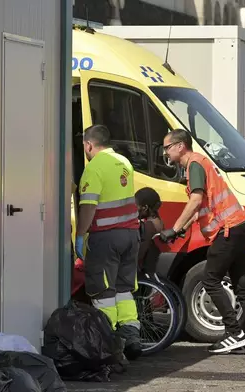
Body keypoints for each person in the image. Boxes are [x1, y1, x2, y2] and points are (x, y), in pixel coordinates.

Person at [158, 129, 245, 355]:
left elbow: (196, 199)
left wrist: (174, 228)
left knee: (210, 280)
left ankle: (234, 333)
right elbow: (203, 207)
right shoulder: (202, 164)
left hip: (227, 230)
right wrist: (183, 229)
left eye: (167, 147)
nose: (166, 153)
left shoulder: (195, 165)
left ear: (180, 146)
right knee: (242, 285)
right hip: (239, 226)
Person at [74, 124, 142, 361]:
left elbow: (89, 206)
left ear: (89, 145)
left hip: (106, 237)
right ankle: (131, 336)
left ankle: (107, 342)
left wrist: (80, 235)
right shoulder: (124, 162)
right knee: (124, 288)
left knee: (103, 290)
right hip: (131, 235)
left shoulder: (94, 168)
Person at [135, 187, 164, 273]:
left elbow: (139, 255)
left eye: (136, 206)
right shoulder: (159, 222)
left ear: (145, 207)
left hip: (142, 272)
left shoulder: (149, 227)